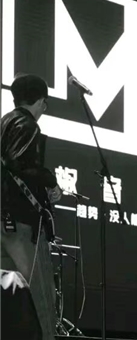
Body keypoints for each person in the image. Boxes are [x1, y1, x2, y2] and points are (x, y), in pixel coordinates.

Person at [1, 73, 62, 340]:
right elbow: (19, 163)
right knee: (40, 297)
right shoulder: (27, 125)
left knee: (7, 299)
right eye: (44, 104)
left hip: (2, 221)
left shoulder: (3, 123)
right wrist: (50, 181)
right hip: (22, 223)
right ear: (41, 102)